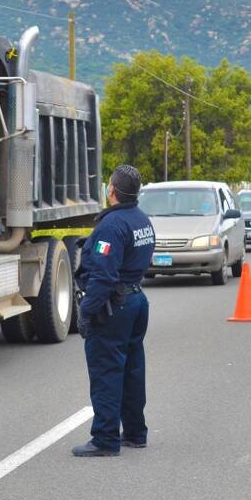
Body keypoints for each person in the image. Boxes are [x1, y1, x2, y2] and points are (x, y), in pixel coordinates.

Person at [72, 164, 156, 457]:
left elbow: (104, 276)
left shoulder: (111, 226)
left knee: (107, 372)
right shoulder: (141, 220)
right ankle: (135, 432)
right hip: (135, 300)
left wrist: (86, 310)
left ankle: (105, 439)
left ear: (111, 191)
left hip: (115, 305)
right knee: (132, 369)